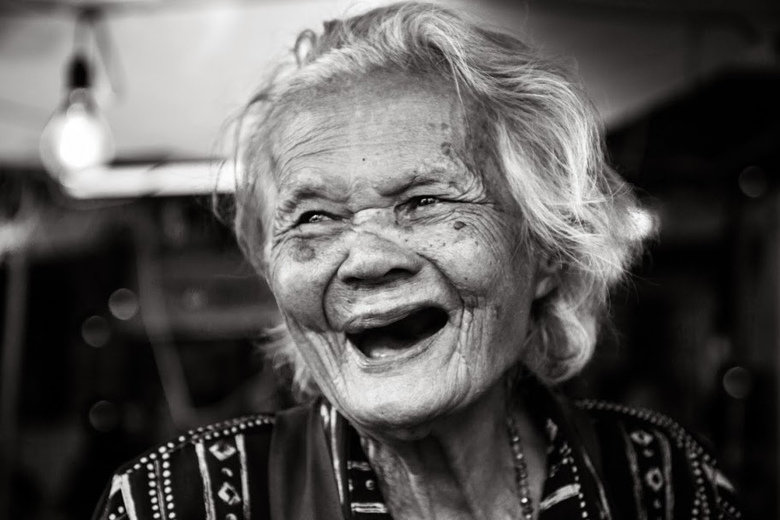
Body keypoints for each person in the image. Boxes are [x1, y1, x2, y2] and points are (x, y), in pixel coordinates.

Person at [93, 3, 741, 519]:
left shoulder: (656, 481)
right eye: (314, 217)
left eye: (424, 201)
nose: (366, 260)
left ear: (544, 249)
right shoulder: (184, 502)